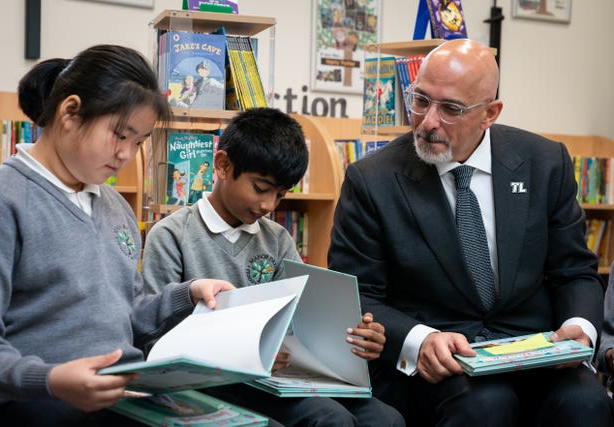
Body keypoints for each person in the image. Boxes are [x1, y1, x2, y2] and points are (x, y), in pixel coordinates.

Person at [328, 38, 613, 426]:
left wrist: (579, 328)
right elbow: (357, 294)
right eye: (421, 100)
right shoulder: (372, 180)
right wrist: (419, 339)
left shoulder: (544, 163)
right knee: (484, 405)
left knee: (588, 402)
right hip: (439, 361)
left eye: (450, 109)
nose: (428, 121)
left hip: (533, 353)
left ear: (490, 113)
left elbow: (574, 270)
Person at [0, 44, 235, 427]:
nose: (127, 154)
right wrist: (50, 380)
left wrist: (188, 293)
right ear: (70, 112)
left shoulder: (115, 206)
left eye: (139, 142)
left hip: (119, 391)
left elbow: (127, 314)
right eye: (119, 135)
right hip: (31, 400)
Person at [142, 107, 405, 427]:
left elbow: (303, 321)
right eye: (260, 188)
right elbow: (156, 339)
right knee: (327, 419)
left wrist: (354, 339)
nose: (268, 206)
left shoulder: (277, 238)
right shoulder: (171, 236)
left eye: (280, 195)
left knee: (386, 418)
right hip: (211, 381)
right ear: (222, 165)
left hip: (275, 378)